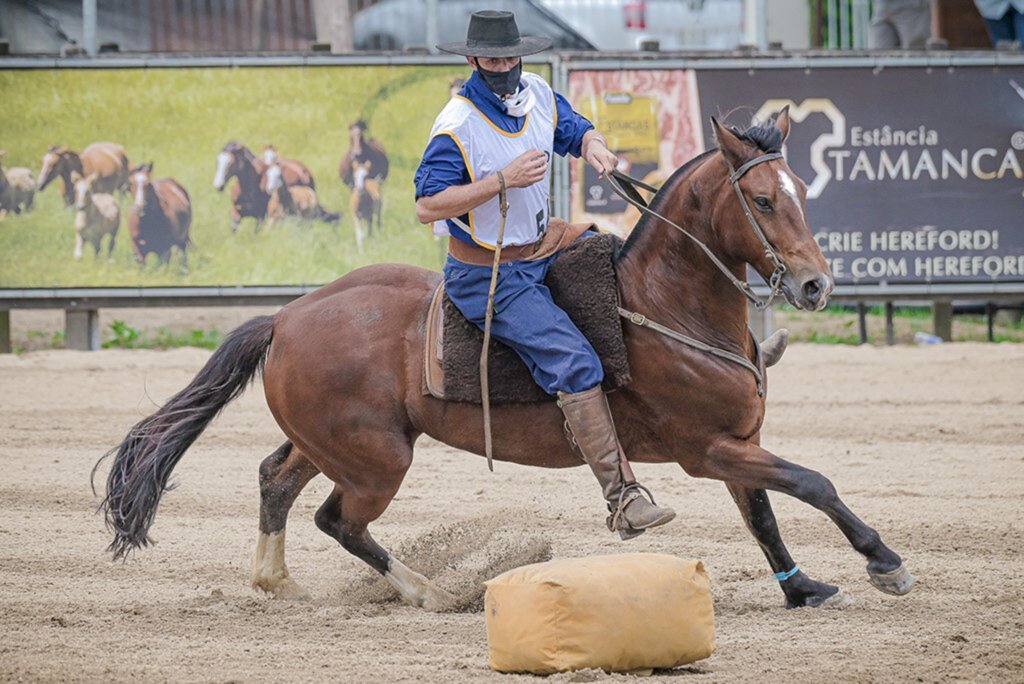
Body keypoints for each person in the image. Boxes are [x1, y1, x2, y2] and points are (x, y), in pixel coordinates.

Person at [413, 10, 675, 540]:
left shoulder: (534, 89)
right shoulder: (456, 126)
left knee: (619, 261)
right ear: (472, 62)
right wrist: (500, 181)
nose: (505, 66)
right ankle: (623, 499)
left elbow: (573, 127)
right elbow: (427, 205)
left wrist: (596, 148)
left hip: (542, 242)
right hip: (488, 274)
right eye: (494, 60)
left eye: (512, 57)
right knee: (574, 363)